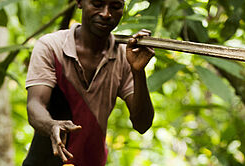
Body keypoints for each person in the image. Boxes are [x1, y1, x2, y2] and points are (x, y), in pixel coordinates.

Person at [23, 0, 154, 165]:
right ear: (79, 2)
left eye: (115, 7)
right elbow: (35, 105)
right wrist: (51, 126)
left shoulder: (124, 56)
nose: (106, 14)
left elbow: (142, 124)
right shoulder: (51, 47)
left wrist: (138, 72)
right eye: (97, 4)